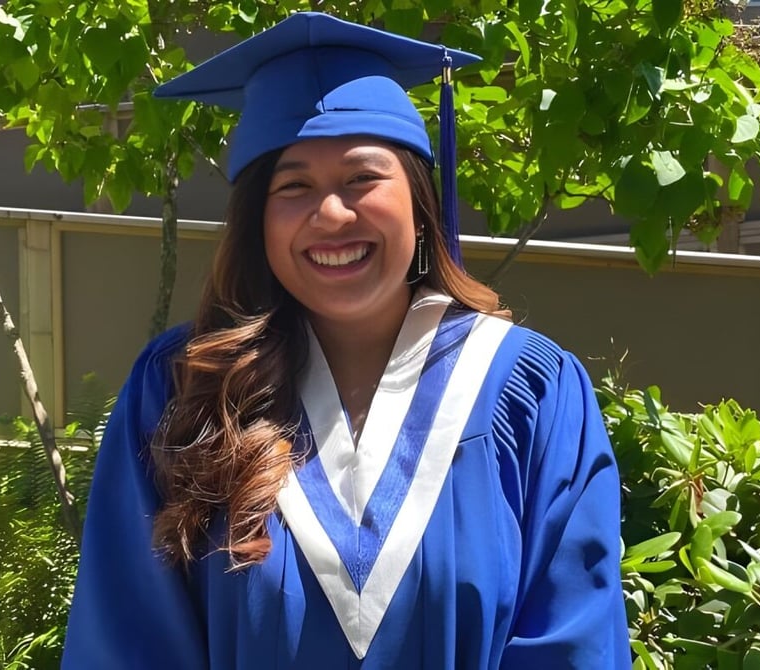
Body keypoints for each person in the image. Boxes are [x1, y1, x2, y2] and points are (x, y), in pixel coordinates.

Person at [62, 11, 629, 669]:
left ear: (419, 205)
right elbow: (126, 640)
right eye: (294, 185)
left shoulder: (530, 391)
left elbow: (575, 642)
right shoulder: (180, 388)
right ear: (258, 221)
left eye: (363, 178)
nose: (331, 214)